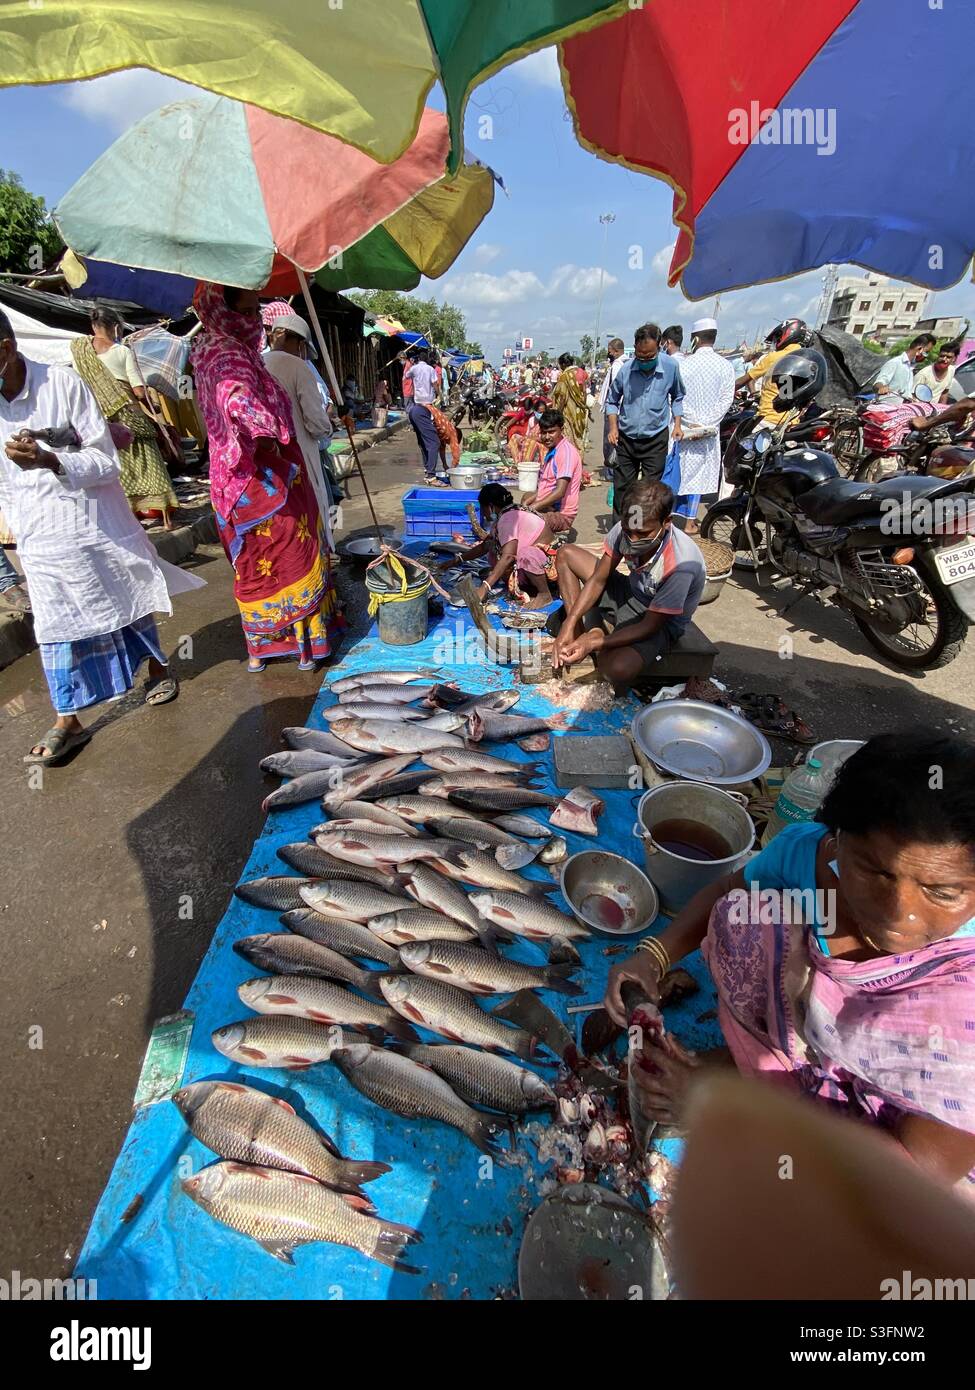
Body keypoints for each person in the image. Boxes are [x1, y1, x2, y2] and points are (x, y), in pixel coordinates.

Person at [604, 732, 975, 1191]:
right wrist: (651, 957)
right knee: (749, 918)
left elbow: (910, 1176)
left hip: (882, 1169)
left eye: (944, 892)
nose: (901, 911)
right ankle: (773, 1071)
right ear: (837, 841)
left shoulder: (965, 1003)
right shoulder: (809, 853)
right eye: (875, 871)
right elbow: (728, 890)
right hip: (822, 1042)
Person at [0, 309, 180, 764]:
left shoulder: (62, 384)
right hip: (39, 537)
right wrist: (14, 526)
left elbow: (106, 462)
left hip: (93, 525)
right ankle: (69, 720)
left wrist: (51, 461)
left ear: (5, 348)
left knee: (124, 601)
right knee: (55, 624)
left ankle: (158, 669)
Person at [190, 282, 343, 673]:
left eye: (256, 312)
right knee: (291, 551)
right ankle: (303, 645)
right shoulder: (226, 353)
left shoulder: (215, 351)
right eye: (246, 310)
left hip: (234, 480)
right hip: (258, 478)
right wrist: (271, 434)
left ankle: (262, 647)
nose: (254, 319)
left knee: (257, 563)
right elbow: (235, 401)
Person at [553, 477, 705, 692]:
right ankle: (583, 633)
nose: (633, 540)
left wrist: (593, 644)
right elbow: (598, 579)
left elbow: (649, 626)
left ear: (667, 522)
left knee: (616, 669)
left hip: (659, 620)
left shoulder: (680, 564)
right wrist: (569, 623)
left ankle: (595, 635)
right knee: (566, 554)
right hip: (631, 592)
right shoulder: (627, 526)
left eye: (643, 534)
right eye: (628, 531)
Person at [70, 307, 178, 530]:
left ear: (93, 326)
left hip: (101, 419)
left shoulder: (79, 351)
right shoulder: (122, 352)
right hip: (130, 414)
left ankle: (132, 518)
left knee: (122, 468)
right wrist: (154, 409)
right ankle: (167, 519)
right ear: (116, 326)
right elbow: (138, 391)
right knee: (150, 462)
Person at [263, 312, 336, 545]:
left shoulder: (256, 362)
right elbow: (316, 423)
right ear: (296, 341)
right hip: (299, 454)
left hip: (267, 458)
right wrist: (329, 425)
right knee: (312, 511)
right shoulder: (297, 366)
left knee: (283, 520)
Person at [605, 324, 685, 518]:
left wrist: (677, 424)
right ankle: (621, 532)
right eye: (640, 356)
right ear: (635, 347)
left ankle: (641, 531)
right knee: (623, 490)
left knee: (649, 492)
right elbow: (612, 401)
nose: (644, 360)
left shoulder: (671, 367)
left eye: (649, 356)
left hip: (655, 439)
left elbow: (678, 396)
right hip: (626, 439)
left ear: (660, 346)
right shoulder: (625, 370)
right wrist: (613, 428)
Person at [445, 482, 556, 610]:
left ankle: (544, 594)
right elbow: (485, 546)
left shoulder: (508, 520)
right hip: (537, 566)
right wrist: (455, 561)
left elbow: (508, 556)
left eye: (482, 508)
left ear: (491, 507)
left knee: (523, 555)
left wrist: (484, 587)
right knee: (494, 549)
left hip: (547, 569)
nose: (482, 512)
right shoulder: (508, 513)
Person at [672, 317, 737, 532]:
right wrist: (708, 424)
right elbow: (727, 399)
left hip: (686, 428)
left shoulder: (684, 364)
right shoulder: (725, 366)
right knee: (699, 477)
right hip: (709, 431)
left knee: (678, 473)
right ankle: (690, 521)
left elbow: (677, 398)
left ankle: (670, 519)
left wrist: (693, 422)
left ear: (695, 339)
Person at [735, 318, 807, 425]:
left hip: (768, 420)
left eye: (777, 338)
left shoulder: (774, 357)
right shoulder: (806, 359)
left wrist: (725, 390)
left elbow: (746, 379)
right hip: (792, 423)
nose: (776, 342)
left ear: (787, 334)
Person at [522, 408, 582, 534]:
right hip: (549, 507)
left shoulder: (565, 452)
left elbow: (560, 492)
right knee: (526, 497)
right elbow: (547, 485)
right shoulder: (554, 449)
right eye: (544, 433)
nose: (547, 437)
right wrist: (527, 504)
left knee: (524, 521)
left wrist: (533, 508)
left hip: (561, 514)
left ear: (561, 430)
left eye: (551, 432)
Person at [404, 349, 446, 485]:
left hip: (414, 409)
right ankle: (431, 476)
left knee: (423, 443)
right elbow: (435, 384)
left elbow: (406, 376)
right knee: (434, 442)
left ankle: (428, 470)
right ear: (427, 359)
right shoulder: (430, 369)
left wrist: (410, 364)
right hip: (424, 408)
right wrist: (439, 395)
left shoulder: (414, 369)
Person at [872, 332, 936, 399]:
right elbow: (878, 383)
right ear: (919, 349)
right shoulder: (895, 363)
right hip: (887, 407)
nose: (926, 356)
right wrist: (881, 388)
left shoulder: (910, 368)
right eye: (926, 352)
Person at [598, 337, 628, 474]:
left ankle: (611, 469)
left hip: (613, 409)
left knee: (610, 439)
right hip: (620, 409)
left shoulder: (617, 366)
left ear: (615, 351)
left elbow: (615, 389)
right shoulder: (627, 364)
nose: (608, 354)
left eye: (609, 351)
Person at [552, 352, 589, 452]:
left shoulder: (565, 376)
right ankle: (578, 462)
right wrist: (582, 406)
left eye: (560, 365)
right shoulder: (580, 372)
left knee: (568, 439)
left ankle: (570, 461)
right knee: (578, 438)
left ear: (563, 364)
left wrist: (557, 413)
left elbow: (563, 397)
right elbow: (585, 391)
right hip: (580, 411)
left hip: (568, 412)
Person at [423, 400, 462, 474]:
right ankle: (430, 474)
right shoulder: (452, 432)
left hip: (422, 409)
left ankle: (427, 469)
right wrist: (452, 470)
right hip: (426, 412)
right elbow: (456, 455)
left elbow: (442, 450)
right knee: (433, 445)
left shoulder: (444, 433)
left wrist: (445, 465)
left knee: (424, 444)